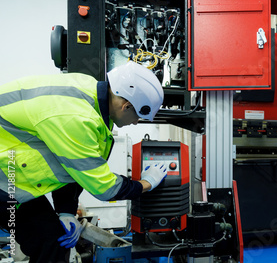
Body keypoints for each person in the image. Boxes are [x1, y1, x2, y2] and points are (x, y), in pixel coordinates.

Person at [0, 61, 168, 263]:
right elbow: (105, 188)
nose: (134, 123)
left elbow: (70, 164)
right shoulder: (78, 118)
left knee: (52, 240)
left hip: (12, 176)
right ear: (127, 106)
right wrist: (147, 183)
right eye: (138, 117)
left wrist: (66, 211)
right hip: (5, 181)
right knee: (49, 241)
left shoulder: (86, 92)